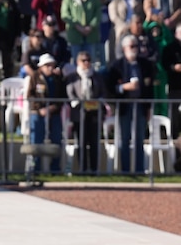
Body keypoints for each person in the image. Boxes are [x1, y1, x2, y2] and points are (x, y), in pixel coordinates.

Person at [107, 34, 155, 173]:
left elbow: (150, 87)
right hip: (125, 106)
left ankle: (139, 169)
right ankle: (126, 170)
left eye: (136, 46)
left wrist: (149, 108)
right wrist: (124, 87)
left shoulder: (145, 64)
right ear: (124, 48)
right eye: (131, 46)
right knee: (125, 138)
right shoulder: (117, 66)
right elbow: (110, 88)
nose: (135, 49)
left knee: (139, 138)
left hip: (140, 105)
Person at [66, 51, 106, 173]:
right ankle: (82, 168)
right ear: (78, 62)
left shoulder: (97, 76)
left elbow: (103, 92)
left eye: (88, 60)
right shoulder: (72, 77)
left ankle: (94, 169)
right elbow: (70, 94)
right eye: (84, 60)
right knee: (81, 141)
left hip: (94, 113)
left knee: (94, 141)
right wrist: (80, 103)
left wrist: (96, 102)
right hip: (79, 113)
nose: (87, 63)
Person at [26, 53, 64, 173]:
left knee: (57, 139)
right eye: (47, 65)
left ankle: (55, 169)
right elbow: (30, 96)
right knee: (36, 139)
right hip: (38, 113)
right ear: (41, 66)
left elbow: (63, 96)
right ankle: (34, 168)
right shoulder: (35, 77)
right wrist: (39, 109)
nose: (50, 68)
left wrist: (53, 108)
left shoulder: (58, 78)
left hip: (54, 112)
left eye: (52, 65)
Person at [61, 0, 102, 64]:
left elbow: (98, 13)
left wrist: (90, 26)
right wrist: (77, 25)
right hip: (75, 34)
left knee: (90, 60)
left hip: (90, 34)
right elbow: (65, 14)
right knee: (76, 61)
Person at [160, 23, 181, 136]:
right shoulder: (170, 48)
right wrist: (174, 67)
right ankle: (174, 136)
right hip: (175, 86)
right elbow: (165, 63)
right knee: (174, 113)